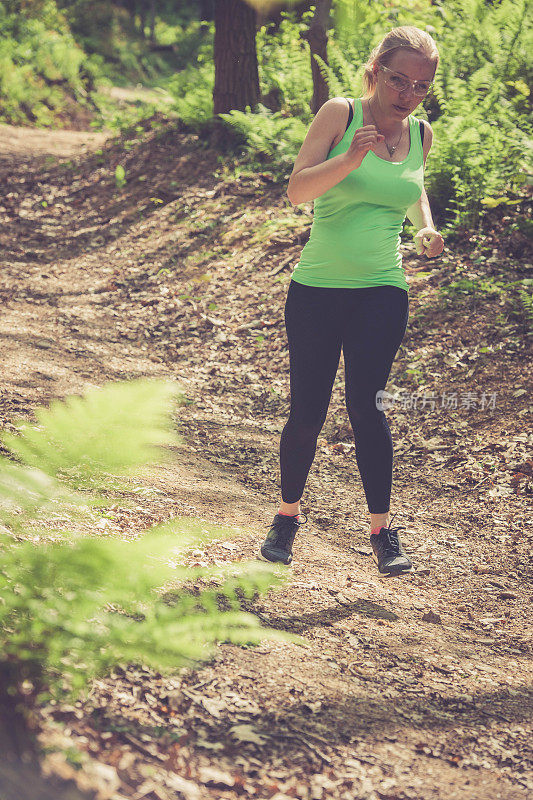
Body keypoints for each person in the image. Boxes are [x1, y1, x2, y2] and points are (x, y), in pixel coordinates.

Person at [259, 25, 444, 575]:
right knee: (309, 408)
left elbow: (412, 188)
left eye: (420, 85)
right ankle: (287, 518)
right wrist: (349, 159)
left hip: (384, 290)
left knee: (369, 407)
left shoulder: (421, 134)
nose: (408, 93)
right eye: (398, 80)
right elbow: (296, 191)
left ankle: (383, 530)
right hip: (317, 289)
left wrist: (426, 229)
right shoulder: (339, 115)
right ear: (375, 71)